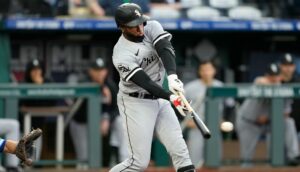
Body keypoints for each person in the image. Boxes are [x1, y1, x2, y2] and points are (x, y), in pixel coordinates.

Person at [110, 3, 195, 172]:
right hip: (136, 102)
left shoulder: (152, 26)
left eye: (140, 22)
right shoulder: (121, 54)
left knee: (181, 151)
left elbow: (165, 49)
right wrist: (170, 96)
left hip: (161, 99)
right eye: (133, 26)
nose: (140, 29)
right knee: (138, 163)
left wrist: (172, 76)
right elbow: (145, 83)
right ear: (122, 27)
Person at [236, 63, 300, 166]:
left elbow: (286, 113)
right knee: (246, 159)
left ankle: (294, 155)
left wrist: (270, 117)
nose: (274, 78)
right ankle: (246, 164)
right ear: (266, 76)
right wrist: (267, 83)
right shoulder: (259, 83)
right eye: (271, 76)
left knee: (288, 122)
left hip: (268, 123)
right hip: (249, 123)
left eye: (276, 75)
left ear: (280, 76)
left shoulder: (283, 89)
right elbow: (259, 82)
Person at [69, 58, 127, 168]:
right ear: (90, 71)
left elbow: (116, 109)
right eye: (96, 70)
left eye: (102, 70)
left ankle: (124, 159)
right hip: (82, 123)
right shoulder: (83, 83)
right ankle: (83, 164)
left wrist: (106, 119)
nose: (99, 73)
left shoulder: (110, 86)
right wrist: (100, 88)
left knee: (121, 121)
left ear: (105, 71)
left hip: (102, 122)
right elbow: (80, 112)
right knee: (84, 159)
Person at [183, 59, 223, 168]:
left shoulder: (220, 86)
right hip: (197, 126)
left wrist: (223, 120)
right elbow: (179, 105)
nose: (206, 72)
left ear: (214, 71)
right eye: (203, 70)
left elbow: (230, 105)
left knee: (215, 161)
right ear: (199, 72)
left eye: (209, 69)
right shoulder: (190, 87)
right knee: (194, 161)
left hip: (214, 126)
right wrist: (186, 120)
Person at [279, 53, 300, 137]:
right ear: (280, 66)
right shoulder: (275, 82)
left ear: (294, 66)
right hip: (280, 123)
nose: (288, 68)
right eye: (285, 65)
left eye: (290, 65)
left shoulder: (298, 81)